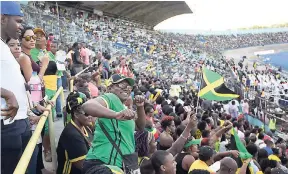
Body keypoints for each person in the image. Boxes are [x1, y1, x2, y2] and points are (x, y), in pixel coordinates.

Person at [82, 74, 146, 173]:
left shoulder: (123, 107)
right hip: (104, 163)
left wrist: (140, 107)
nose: (127, 89)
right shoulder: (111, 97)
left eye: (129, 87)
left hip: (118, 164)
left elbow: (140, 127)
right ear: (110, 88)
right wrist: (116, 115)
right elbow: (87, 105)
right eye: (122, 85)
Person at [0, 2, 30, 174]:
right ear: (2, 18)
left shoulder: (4, 46)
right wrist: (7, 93)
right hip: (5, 124)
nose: (21, 27)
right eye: (18, 21)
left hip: (18, 121)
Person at [57, 91, 93, 174]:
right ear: (76, 114)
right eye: (87, 114)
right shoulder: (72, 135)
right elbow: (83, 166)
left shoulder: (86, 127)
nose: (90, 116)